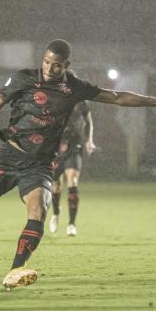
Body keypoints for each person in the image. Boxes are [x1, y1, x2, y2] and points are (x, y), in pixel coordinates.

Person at [0, 39, 156, 289]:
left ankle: (15, 270)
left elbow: (118, 97)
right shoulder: (23, 79)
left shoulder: (74, 88)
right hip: (8, 156)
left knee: (38, 212)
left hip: (39, 165)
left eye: (55, 65)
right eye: (46, 61)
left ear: (66, 65)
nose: (49, 68)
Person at [49, 101, 96, 236]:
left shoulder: (82, 100)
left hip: (75, 144)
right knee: (56, 185)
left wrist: (89, 140)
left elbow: (88, 122)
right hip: (56, 145)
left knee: (73, 181)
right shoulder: (55, 97)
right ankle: (56, 213)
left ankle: (71, 224)